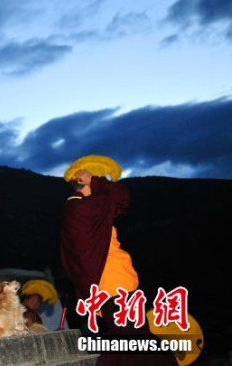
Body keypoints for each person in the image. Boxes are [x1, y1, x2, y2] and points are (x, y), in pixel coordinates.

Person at [61, 155, 176, 365]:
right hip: (114, 286)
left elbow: (117, 202)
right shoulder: (82, 209)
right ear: (82, 182)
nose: (104, 183)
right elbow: (121, 196)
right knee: (133, 343)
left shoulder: (80, 208)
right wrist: (94, 182)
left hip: (111, 286)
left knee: (131, 340)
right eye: (100, 178)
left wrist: (95, 183)